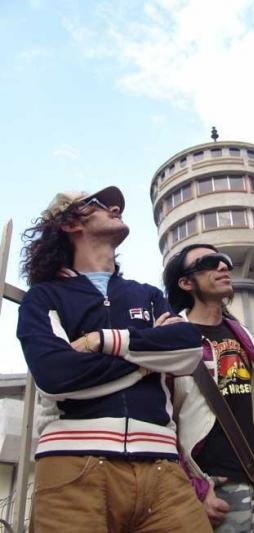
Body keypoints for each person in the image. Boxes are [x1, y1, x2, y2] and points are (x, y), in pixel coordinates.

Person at [17, 186, 212, 533]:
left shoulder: (147, 294)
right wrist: (151, 358)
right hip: (72, 467)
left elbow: (189, 348)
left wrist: (102, 340)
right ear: (70, 224)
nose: (115, 207)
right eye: (98, 203)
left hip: (163, 468)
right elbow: (55, 374)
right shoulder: (43, 297)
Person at [163, 243, 254, 533]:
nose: (223, 266)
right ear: (186, 283)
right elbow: (162, 421)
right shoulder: (173, 339)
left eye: (224, 260)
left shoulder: (244, 336)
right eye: (208, 263)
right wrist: (194, 487)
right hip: (211, 490)